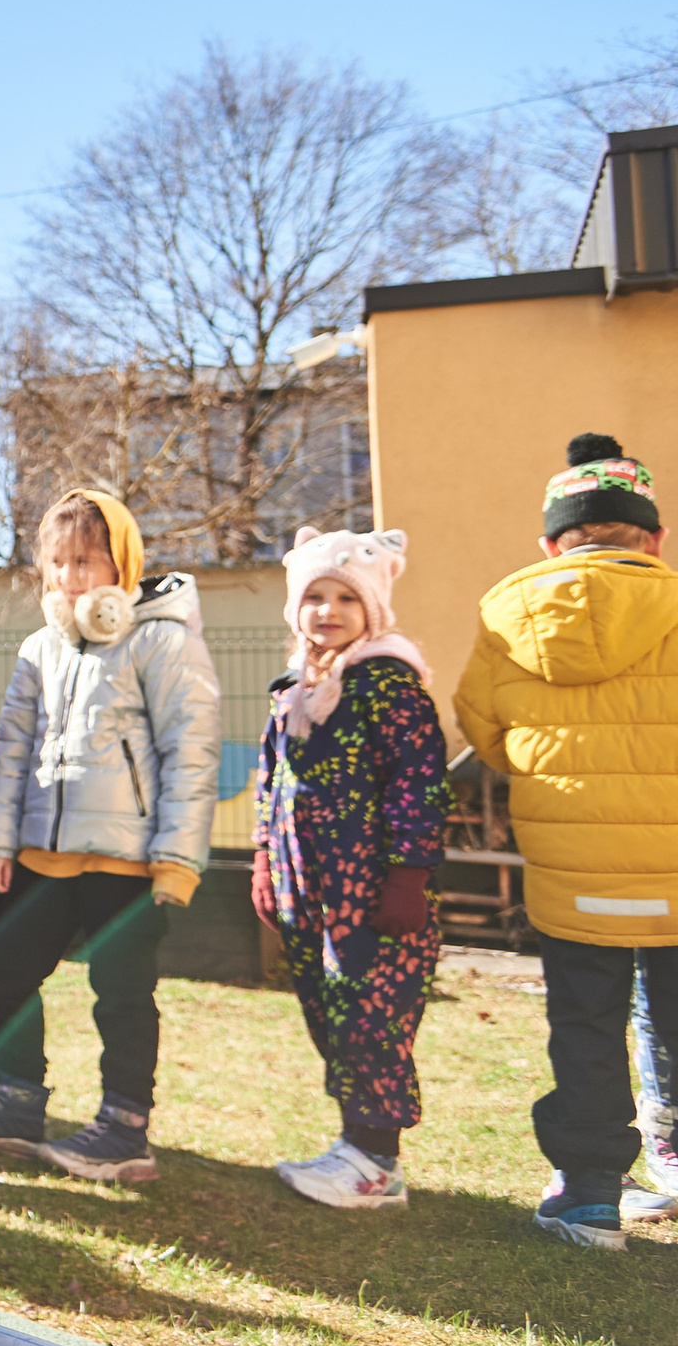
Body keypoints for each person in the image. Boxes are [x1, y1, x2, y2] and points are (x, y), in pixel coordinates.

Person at [0, 490, 220, 1184]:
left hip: (126, 862)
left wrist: (177, 860)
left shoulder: (162, 639)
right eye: (58, 563)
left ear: (121, 566)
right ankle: (19, 1101)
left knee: (121, 992)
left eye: (87, 561)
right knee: (6, 969)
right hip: (42, 854)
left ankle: (124, 1128)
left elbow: (191, 752)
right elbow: (13, 755)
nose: (71, 578)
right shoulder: (40, 648)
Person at [457, 433, 678, 1251]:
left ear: (551, 542)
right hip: (675, 872)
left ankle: (589, 1196)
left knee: (583, 1021)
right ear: (651, 537)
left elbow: (482, 732)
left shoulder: (504, 615)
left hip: (570, 873)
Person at [254, 527, 448, 1210]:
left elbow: (419, 782)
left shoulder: (388, 686)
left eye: (345, 597)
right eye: (314, 596)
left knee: (372, 1021)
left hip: (372, 898)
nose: (328, 610)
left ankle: (378, 1164)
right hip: (311, 895)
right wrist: (262, 861)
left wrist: (408, 876)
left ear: (373, 611)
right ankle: (353, 1143)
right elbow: (270, 784)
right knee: (332, 1018)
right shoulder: (292, 692)